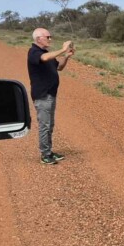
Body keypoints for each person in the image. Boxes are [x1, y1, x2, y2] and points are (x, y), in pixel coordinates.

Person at [26, 27, 73, 164]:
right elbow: (45, 58)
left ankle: (49, 151)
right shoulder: (34, 52)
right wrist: (63, 49)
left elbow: (59, 67)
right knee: (44, 125)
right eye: (48, 37)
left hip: (50, 94)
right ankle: (45, 154)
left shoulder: (45, 53)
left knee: (49, 125)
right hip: (42, 95)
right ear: (39, 38)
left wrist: (66, 56)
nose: (50, 39)